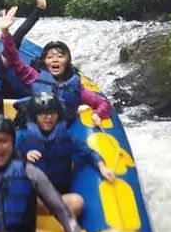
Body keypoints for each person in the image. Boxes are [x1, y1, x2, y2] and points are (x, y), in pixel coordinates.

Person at [0, 7, 112, 123]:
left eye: (60, 56)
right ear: (44, 62)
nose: (55, 60)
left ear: (67, 61)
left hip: (60, 134)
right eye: (50, 57)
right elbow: (13, 57)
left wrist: (98, 115)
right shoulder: (33, 77)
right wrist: (5, 32)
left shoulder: (76, 88)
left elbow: (104, 103)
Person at [16, 90, 117, 219]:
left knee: (77, 202)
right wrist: (24, 158)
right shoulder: (21, 136)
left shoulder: (66, 136)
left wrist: (102, 167)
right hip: (32, 195)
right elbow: (5, 161)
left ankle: (58, 219)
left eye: (53, 113)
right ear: (35, 115)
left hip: (59, 197)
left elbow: (87, 152)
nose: (49, 118)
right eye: (44, 114)